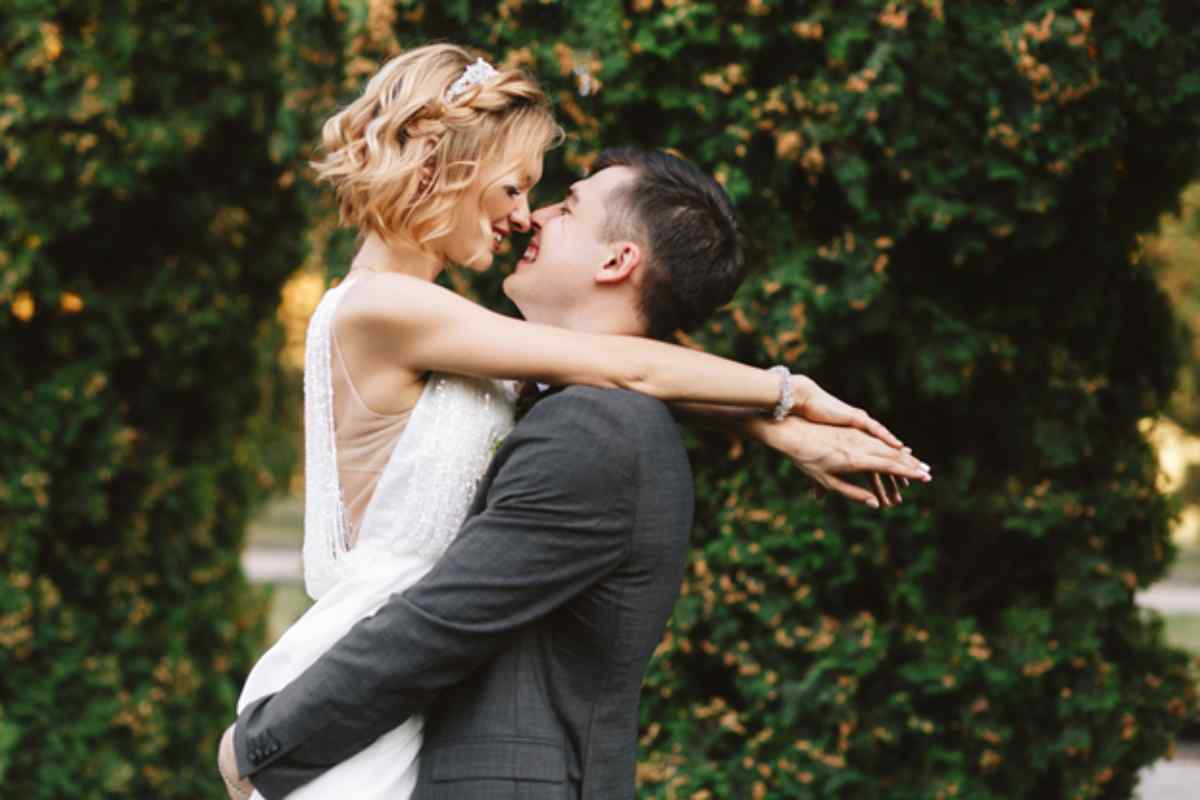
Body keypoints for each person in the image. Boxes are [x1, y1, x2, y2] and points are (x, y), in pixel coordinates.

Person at [218, 46, 930, 800]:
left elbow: (603, 370)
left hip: (401, 689)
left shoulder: (456, 330)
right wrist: (785, 396)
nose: (524, 214)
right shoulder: (383, 309)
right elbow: (630, 368)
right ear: (454, 162)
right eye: (517, 186)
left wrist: (765, 428)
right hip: (360, 666)